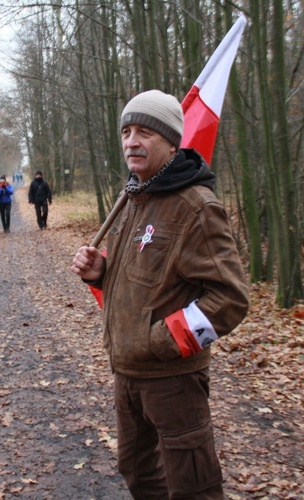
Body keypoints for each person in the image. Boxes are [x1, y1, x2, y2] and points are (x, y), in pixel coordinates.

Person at [70, 90, 249, 499]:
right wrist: (101, 274)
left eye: (145, 132)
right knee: (137, 472)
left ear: (172, 142)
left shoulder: (195, 207)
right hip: (127, 374)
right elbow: (143, 277)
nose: (132, 140)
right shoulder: (134, 198)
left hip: (171, 380)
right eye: (127, 131)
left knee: (192, 487)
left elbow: (231, 298)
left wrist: (160, 341)